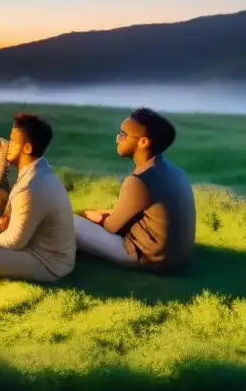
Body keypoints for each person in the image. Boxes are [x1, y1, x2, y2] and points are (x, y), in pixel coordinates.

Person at [0, 113, 75, 282]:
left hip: (48, 264)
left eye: (12, 141)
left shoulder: (31, 186)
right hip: (35, 248)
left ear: (27, 148)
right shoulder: (38, 170)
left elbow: (13, 242)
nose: (6, 145)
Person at [74, 107, 197, 273]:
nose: (118, 139)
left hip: (149, 259)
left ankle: (50, 255)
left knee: (69, 221)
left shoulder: (139, 180)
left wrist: (95, 216)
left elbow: (111, 228)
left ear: (143, 142)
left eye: (123, 135)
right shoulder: (175, 171)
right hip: (176, 258)